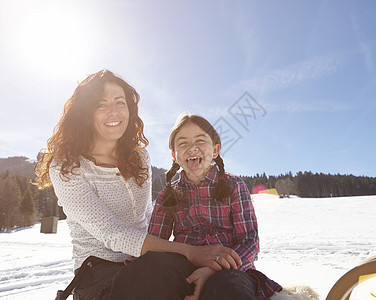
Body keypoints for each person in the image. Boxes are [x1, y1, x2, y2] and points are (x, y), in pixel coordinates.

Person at [34, 70, 241, 300]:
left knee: (206, 285)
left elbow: (147, 217)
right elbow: (111, 234)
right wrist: (190, 252)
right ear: (86, 113)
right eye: (101, 105)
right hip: (100, 273)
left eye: (120, 102)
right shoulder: (66, 166)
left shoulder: (139, 157)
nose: (113, 112)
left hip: (148, 263)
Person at [147, 113, 282, 300]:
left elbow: (250, 240)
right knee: (147, 280)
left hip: (228, 270)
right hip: (181, 267)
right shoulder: (167, 195)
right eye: (183, 143)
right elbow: (155, 244)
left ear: (215, 150)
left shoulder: (234, 185)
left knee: (229, 290)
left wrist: (212, 269)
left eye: (201, 141)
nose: (192, 148)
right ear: (174, 155)